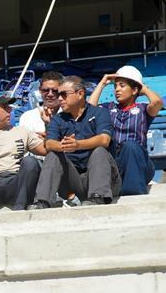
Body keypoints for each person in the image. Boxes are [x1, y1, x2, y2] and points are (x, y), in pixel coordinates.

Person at [30, 76, 121, 208]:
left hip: (104, 180)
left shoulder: (100, 113)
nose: (59, 98)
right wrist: (64, 145)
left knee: (100, 151)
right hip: (74, 181)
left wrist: (78, 144)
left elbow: (104, 139)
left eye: (63, 94)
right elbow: (49, 143)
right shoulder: (58, 119)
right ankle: (42, 202)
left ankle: (98, 197)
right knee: (53, 154)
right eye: (58, 94)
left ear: (80, 94)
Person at [90, 65, 163, 196]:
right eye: (115, 86)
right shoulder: (109, 108)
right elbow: (89, 110)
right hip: (116, 164)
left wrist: (143, 88)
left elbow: (157, 102)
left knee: (130, 145)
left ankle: (134, 192)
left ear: (134, 90)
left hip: (140, 163)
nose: (117, 90)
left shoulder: (144, 109)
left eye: (122, 86)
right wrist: (102, 83)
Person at [19, 70, 64, 136]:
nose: (50, 94)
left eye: (55, 91)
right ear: (40, 90)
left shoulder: (70, 114)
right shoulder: (28, 117)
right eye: (46, 90)